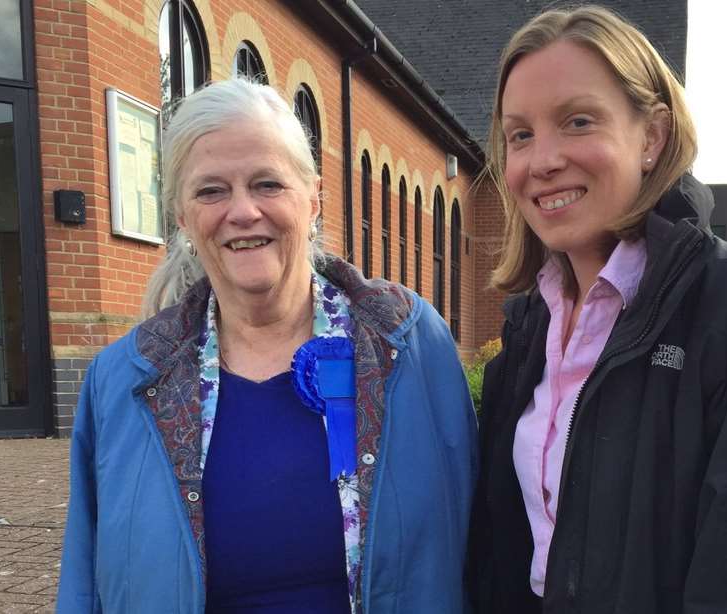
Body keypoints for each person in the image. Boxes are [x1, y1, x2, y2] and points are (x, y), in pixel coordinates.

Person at [468, 6, 727, 613]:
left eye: (578, 121)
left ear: (654, 137)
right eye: (521, 135)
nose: (542, 161)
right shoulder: (530, 324)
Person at [56, 78, 477, 613]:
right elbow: (85, 583)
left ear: (314, 198)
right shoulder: (125, 379)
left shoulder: (409, 344)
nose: (243, 211)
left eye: (267, 184)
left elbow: (479, 542)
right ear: (183, 217)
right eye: (211, 190)